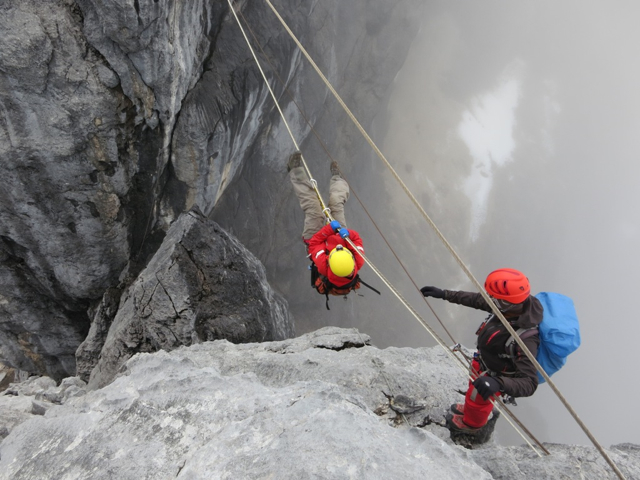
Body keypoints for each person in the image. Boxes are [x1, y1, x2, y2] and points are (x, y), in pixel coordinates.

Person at [420, 268, 543, 433]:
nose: (491, 301)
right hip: (485, 364)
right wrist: (445, 294)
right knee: (473, 391)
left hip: (495, 375)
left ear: (506, 302)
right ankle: (469, 410)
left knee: (478, 398)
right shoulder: (512, 306)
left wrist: (498, 383)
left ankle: (471, 426)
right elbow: (477, 300)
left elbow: (529, 383)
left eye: (495, 299)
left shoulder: (526, 338)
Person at [288, 151, 365, 291]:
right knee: (336, 203)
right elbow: (357, 239)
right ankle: (337, 178)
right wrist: (347, 233)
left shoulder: (323, 265)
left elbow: (314, 244)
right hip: (339, 235)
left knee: (313, 208)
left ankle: (295, 171)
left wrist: (330, 229)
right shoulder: (358, 260)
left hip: (316, 240)